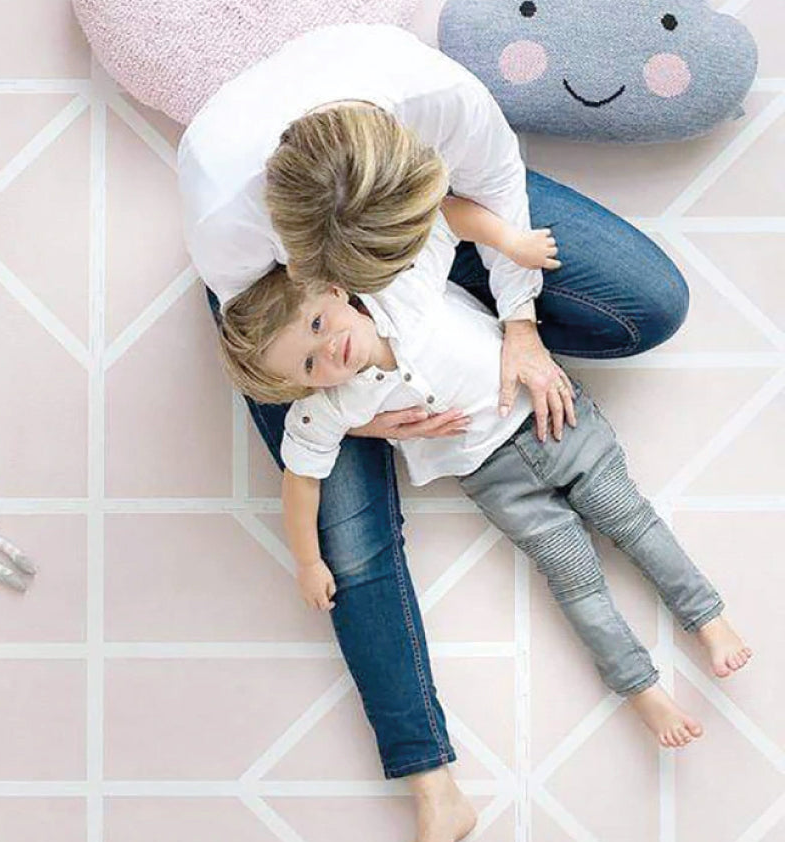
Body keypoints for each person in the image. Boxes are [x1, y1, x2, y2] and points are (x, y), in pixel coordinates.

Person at [178, 22, 691, 842]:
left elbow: (487, 197)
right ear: (324, 268)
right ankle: (431, 786)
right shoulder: (230, 225)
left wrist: (517, 327)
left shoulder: (447, 106)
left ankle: (447, 308)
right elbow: (287, 364)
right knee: (352, 542)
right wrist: (355, 413)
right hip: (285, 301)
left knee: (651, 303)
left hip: (432, 216)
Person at [216, 196, 752, 757]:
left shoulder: (399, 290)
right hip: (496, 480)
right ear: (303, 387)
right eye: (309, 365)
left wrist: (508, 241)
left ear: (332, 291)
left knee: (634, 523)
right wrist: (308, 560)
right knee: (575, 579)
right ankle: (640, 687)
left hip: (555, 419)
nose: (328, 350)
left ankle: (707, 618)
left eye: (319, 325)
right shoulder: (329, 406)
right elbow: (300, 480)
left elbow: (440, 218)